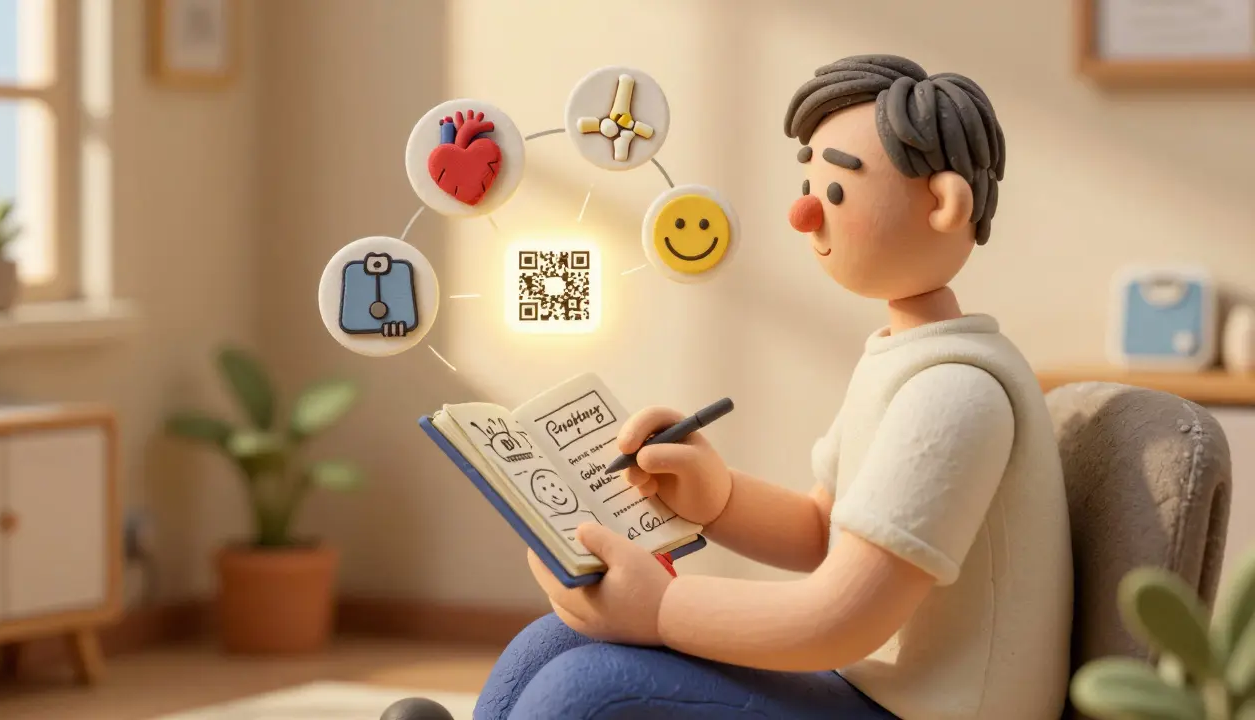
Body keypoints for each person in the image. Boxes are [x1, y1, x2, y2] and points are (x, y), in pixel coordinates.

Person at [384, 54, 1073, 720]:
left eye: (834, 191)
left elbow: (843, 617)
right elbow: (824, 531)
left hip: (921, 710)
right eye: (808, 189)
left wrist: (660, 611)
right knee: (555, 642)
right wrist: (718, 497)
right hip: (877, 688)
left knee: (590, 692)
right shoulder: (906, 360)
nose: (804, 215)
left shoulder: (953, 395)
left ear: (944, 204)